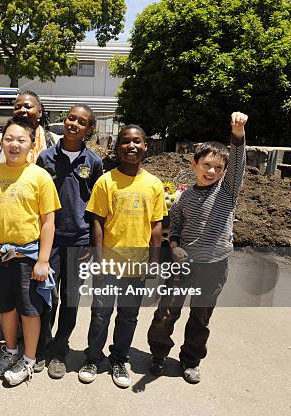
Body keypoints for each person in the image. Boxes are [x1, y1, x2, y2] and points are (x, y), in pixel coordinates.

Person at [147, 112, 248, 384]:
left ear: (225, 172)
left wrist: (237, 134)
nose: (211, 171)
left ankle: (190, 361)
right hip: (182, 266)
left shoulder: (227, 192)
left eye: (218, 167)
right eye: (206, 165)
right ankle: (158, 354)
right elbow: (176, 228)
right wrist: (175, 245)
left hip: (214, 267)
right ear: (194, 164)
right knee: (166, 312)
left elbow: (238, 164)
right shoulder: (184, 199)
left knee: (200, 318)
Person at [0, 116, 61, 386]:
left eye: (21, 140)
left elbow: (48, 222)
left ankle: (29, 359)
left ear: (31, 144)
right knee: (6, 307)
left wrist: (43, 260)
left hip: (29, 258)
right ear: (1, 143)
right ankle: (10, 350)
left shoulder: (40, 176)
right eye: (9, 139)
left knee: (30, 310)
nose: (14, 144)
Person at [79, 124, 166, 388]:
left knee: (128, 315)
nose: (131, 146)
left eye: (137, 141)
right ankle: (93, 357)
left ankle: (119, 358)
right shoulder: (106, 181)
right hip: (109, 263)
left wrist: (153, 263)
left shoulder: (154, 184)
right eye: (126, 141)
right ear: (117, 147)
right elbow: (97, 222)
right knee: (101, 313)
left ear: (145, 146)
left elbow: (156, 227)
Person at [35, 104, 103, 379]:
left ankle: (59, 351)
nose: (74, 124)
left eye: (82, 122)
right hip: (49, 240)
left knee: (70, 299)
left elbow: (97, 206)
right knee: (46, 296)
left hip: (79, 241)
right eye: (71, 118)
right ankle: (41, 346)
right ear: (64, 121)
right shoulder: (45, 158)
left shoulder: (94, 162)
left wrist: (91, 244)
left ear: (89, 129)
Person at [0, 91, 57, 166]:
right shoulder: (1, 139)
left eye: (28, 107)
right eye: (17, 107)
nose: (22, 110)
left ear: (40, 112)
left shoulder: (53, 141)